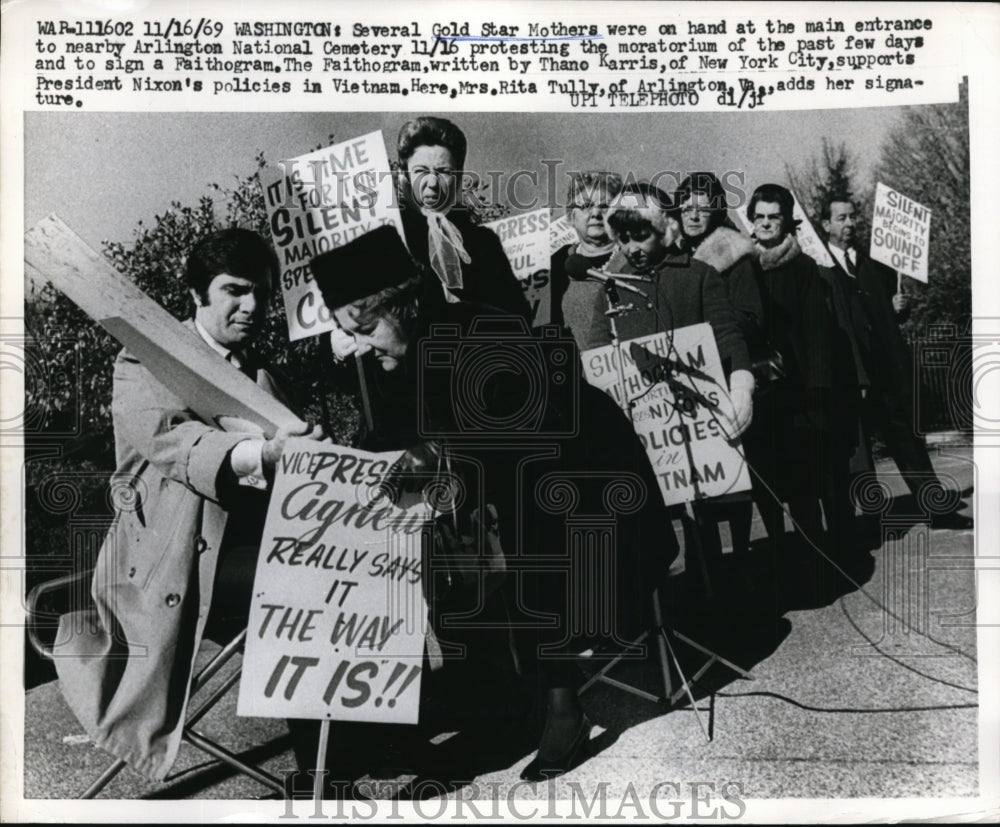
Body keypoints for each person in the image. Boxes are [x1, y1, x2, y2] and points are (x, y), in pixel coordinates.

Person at [310, 225, 675, 782]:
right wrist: (342, 470)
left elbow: (529, 438)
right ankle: (481, 699)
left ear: (400, 308)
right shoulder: (395, 364)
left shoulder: (487, 326)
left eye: (364, 329)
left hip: (587, 483)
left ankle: (562, 703)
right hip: (500, 493)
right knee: (432, 530)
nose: (361, 346)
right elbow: (387, 442)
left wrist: (438, 454)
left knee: (526, 515)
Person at [52, 229, 322, 781]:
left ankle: (328, 762)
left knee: (325, 579)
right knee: (300, 587)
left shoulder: (263, 374)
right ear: (197, 293)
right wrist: (262, 454)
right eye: (235, 291)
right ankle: (327, 763)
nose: (252, 306)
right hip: (171, 566)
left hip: (243, 554)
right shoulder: (146, 360)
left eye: (263, 294)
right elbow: (175, 442)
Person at [819, 195, 972, 531]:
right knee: (854, 448)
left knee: (905, 435)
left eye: (852, 217)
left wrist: (900, 306)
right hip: (850, 370)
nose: (849, 224)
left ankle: (936, 507)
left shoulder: (876, 263)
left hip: (886, 366)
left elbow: (892, 312)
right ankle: (861, 521)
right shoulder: (818, 267)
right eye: (841, 218)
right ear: (826, 225)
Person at [672, 172, 762, 566]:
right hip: (685, 375)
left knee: (732, 476)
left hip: (723, 372)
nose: (694, 215)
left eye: (703, 207)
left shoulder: (733, 252)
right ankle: (704, 561)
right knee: (695, 478)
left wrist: (707, 325)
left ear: (716, 210)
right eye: (686, 206)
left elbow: (751, 318)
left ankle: (740, 556)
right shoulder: (672, 253)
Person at [743, 184, 835, 569]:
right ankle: (780, 560)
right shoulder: (740, 265)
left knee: (800, 480)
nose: (766, 224)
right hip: (756, 389)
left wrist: (816, 390)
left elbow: (817, 333)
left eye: (774, 217)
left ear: (786, 221)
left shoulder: (802, 268)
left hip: (795, 391)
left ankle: (816, 555)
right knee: (764, 479)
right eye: (760, 217)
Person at [550, 170, 623, 347]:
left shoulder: (636, 258)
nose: (596, 213)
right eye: (586, 206)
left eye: (605, 206)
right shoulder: (555, 265)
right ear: (570, 216)